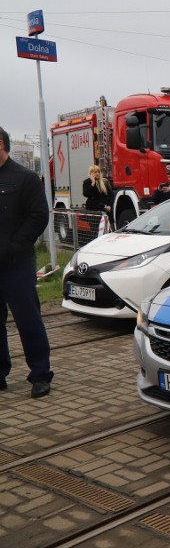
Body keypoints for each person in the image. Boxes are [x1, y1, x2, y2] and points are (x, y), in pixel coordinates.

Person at [0, 126, 53, 398]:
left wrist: (13, 246)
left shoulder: (25, 178)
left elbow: (38, 216)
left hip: (16, 265)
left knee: (28, 320)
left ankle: (40, 375)